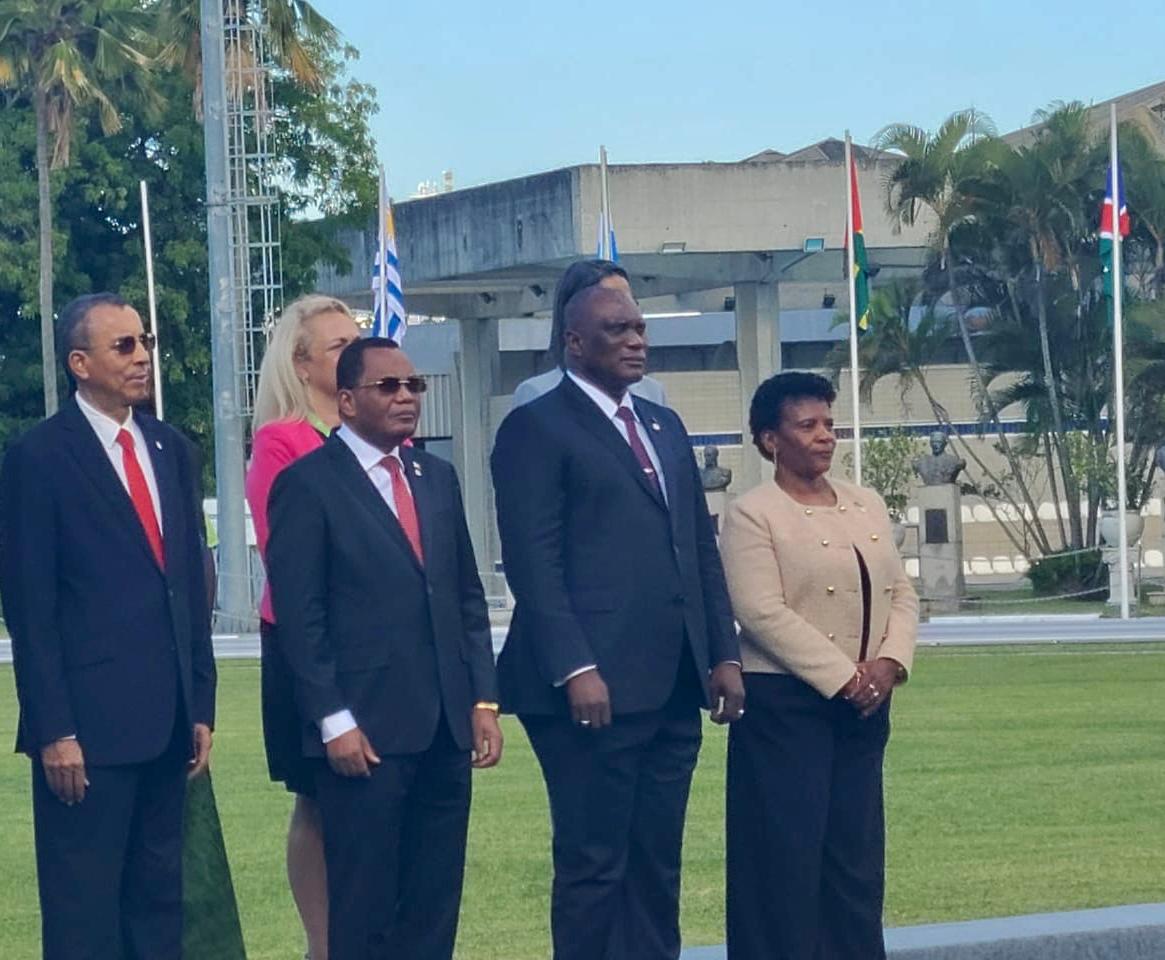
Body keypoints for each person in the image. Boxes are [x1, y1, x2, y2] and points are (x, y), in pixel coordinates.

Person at [491, 283, 744, 960]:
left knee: (656, 863)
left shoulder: (662, 424)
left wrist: (723, 652)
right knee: (594, 862)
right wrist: (576, 665)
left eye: (639, 328)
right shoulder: (536, 426)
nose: (636, 341)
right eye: (617, 330)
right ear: (573, 342)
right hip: (587, 689)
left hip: (673, 682)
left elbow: (697, 546)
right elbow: (533, 561)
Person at [265, 337, 502, 960]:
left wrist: (482, 701)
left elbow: (465, 597)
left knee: (433, 906)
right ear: (346, 401)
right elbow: (300, 619)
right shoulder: (307, 485)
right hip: (363, 733)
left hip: (445, 730)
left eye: (413, 385)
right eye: (388, 386)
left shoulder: (436, 478)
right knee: (365, 910)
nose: (406, 397)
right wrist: (333, 720)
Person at [0, 292, 216, 960]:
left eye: (145, 341)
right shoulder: (38, 458)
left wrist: (200, 704)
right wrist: (54, 730)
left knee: (158, 908)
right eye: (124, 345)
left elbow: (187, 588)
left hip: (168, 725)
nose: (142, 356)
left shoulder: (171, 450)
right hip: (86, 736)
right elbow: (31, 609)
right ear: (80, 363)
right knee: (84, 915)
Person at [718, 371, 919, 960]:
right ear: (770, 440)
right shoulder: (752, 513)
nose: (826, 436)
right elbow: (758, 610)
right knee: (783, 861)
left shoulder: (866, 503)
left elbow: (901, 593)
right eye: (807, 425)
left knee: (856, 861)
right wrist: (844, 677)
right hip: (786, 707)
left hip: (865, 707)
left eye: (829, 424)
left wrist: (889, 663)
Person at [244, 294, 361, 960]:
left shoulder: (378, 432)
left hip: (380, 646)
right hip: (307, 643)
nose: (355, 350)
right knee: (318, 797)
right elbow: (284, 555)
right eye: (339, 344)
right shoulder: (281, 441)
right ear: (301, 362)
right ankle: (323, 944)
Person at [511, 258, 668, 408]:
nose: (625, 309)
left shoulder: (652, 393)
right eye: (611, 301)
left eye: (630, 301)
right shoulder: (537, 393)